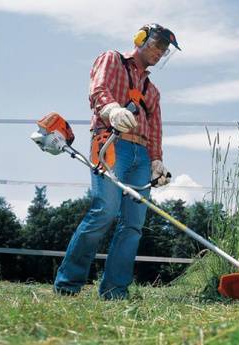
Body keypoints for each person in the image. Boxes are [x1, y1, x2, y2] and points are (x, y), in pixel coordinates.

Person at [54, 23, 180, 300]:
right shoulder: (112, 59)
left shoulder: (153, 91)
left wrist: (157, 161)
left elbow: (155, 127)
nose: (160, 52)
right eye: (157, 45)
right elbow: (98, 89)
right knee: (104, 211)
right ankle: (68, 284)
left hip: (141, 156)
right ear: (141, 39)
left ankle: (114, 291)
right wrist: (111, 110)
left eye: (165, 50)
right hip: (110, 143)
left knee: (133, 225)